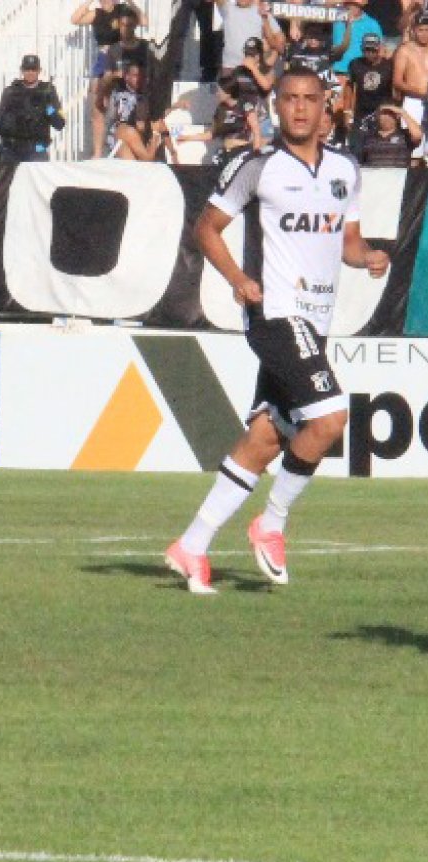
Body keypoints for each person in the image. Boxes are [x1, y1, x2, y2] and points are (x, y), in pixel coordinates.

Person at [167, 67, 390, 596]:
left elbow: (348, 241)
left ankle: (191, 546)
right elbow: (206, 228)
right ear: (277, 106)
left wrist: (368, 256)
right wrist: (238, 279)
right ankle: (271, 523)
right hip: (274, 313)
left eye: (310, 98)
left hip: (316, 320)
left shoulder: (345, 169)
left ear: (326, 107)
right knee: (330, 417)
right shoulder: (258, 167)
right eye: (290, 98)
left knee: (267, 437)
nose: (300, 108)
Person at [71, 0, 144, 157]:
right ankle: (97, 152)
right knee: (97, 105)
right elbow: (75, 19)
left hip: (123, 55)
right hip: (104, 57)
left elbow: (143, 21)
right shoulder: (97, 14)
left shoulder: (122, 9)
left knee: (124, 102)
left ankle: (125, 144)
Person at [0, 54, 66, 162]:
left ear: (39, 70)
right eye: (27, 69)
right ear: (22, 70)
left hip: (37, 148)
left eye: (34, 69)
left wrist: (47, 107)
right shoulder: (11, 91)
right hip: (12, 148)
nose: (30, 72)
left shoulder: (48, 91)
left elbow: (60, 123)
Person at [345, 31, 393, 149]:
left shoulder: (389, 65)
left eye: (373, 50)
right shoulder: (355, 64)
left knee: (381, 146)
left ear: (379, 49)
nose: (370, 53)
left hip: (383, 111)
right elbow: (349, 87)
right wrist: (347, 112)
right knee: (358, 145)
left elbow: (395, 90)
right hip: (361, 112)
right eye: (367, 50)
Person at [394, 12, 428, 159]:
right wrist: (419, 91)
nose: (424, 34)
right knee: (413, 145)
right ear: (414, 30)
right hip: (413, 101)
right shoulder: (405, 50)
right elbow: (397, 81)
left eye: (427, 30)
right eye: (421, 30)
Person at [358, 103, 423, 165]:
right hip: (372, 172)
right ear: (377, 116)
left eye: (390, 113)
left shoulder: (405, 134)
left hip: (399, 172)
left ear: (397, 116)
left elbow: (418, 135)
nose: (387, 117)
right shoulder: (368, 136)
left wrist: (403, 112)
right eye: (383, 113)